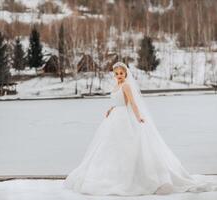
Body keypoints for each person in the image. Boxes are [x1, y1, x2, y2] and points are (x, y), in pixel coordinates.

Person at [64, 62, 217, 196]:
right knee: (110, 147)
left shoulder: (126, 85)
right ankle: (112, 175)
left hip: (125, 118)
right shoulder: (116, 85)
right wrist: (111, 109)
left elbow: (132, 103)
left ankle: (137, 177)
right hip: (114, 118)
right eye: (116, 74)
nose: (119, 76)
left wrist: (138, 117)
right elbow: (118, 101)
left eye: (121, 73)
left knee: (129, 146)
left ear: (126, 74)